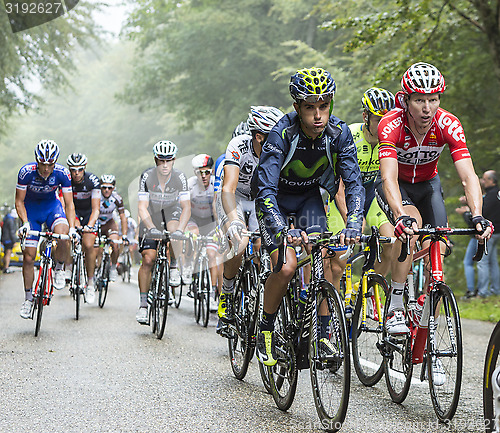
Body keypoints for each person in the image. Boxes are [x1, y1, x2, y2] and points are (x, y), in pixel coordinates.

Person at [253, 67, 364, 366]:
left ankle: (323, 335)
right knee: (287, 267)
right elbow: (264, 188)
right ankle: (264, 330)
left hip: (309, 200)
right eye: (310, 108)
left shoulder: (338, 135)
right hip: (274, 200)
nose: (318, 116)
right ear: (296, 108)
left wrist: (354, 220)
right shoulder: (282, 133)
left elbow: (352, 182)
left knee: (326, 257)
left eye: (324, 106)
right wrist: (280, 227)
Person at [376, 62, 492, 336]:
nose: (427, 108)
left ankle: (430, 331)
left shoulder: (448, 124)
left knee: (438, 247)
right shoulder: (391, 124)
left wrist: (477, 214)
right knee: (411, 228)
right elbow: (388, 178)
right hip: (399, 187)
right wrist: (399, 214)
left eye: (433, 99)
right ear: (405, 100)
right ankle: (394, 305)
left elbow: (468, 176)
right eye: (419, 100)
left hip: (428, 186)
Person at [216, 106, 284, 327]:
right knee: (241, 241)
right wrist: (235, 220)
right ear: (258, 136)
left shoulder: (281, 148)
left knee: (263, 245)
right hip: (234, 197)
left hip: (258, 200)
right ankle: (227, 293)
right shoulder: (239, 146)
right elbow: (228, 187)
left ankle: (258, 297)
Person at [326, 87, 396, 288]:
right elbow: (339, 185)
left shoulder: (391, 140)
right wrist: (352, 218)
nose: (385, 126)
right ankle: (335, 306)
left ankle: (368, 290)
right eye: (378, 120)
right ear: (365, 116)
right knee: (339, 261)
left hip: (370, 197)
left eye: (389, 120)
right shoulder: (350, 136)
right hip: (342, 197)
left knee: (390, 242)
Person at [15, 140, 77, 319]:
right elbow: (19, 201)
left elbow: (69, 203)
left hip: (52, 208)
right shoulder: (26, 172)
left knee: (63, 235)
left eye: (50, 164)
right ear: (37, 161)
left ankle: (59, 267)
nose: (46, 169)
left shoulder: (62, 173)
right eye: (43, 164)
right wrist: (25, 222)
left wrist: (72, 227)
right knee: (28, 256)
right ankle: (28, 299)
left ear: (55, 162)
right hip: (31, 210)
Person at [135, 140, 190, 324]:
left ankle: (173, 266)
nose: (165, 165)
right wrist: (150, 228)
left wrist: (181, 231)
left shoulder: (180, 177)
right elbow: (142, 207)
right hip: (151, 215)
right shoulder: (147, 176)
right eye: (161, 161)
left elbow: (186, 207)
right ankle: (143, 305)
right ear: (155, 160)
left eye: (168, 161)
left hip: (171, 212)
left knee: (175, 232)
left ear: (174, 160)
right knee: (148, 259)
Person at [186, 154, 221, 304]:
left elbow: (219, 208)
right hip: (194, 220)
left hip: (211, 222)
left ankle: (213, 293)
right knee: (193, 236)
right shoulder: (190, 184)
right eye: (200, 172)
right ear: (195, 173)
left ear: (212, 172)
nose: (204, 176)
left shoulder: (216, 184)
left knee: (212, 254)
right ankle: (190, 266)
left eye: (207, 172)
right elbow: (184, 208)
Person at [66, 152, 100, 303]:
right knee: (67, 236)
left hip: (89, 213)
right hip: (73, 212)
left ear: (84, 168)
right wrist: (74, 222)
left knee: (88, 244)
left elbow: (96, 209)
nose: (76, 173)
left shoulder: (93, 180)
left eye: (79, 169)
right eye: (73, 170)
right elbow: (64, 204)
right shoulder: (66, 180)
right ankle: (67, 267)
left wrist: (90, 225)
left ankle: (90, 282)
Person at [97, 174, 128, 283]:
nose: (106, 190)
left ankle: (113, 267)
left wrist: (124, 235)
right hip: (96, 223)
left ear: (113, 188)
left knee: (115, 245)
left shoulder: (117, 198)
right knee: (96, 249)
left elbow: (123, 217)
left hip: (109, 223)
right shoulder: (96, 196)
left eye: (109, 188)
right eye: (104, 187)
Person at [477, 170, 500, 297]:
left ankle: (483, 292)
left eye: (485, 179)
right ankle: (496, 290)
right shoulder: (498, 194)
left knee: (483, 262)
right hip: (498, 232)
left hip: (489, 232)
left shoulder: (490, 196)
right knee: (493, 261)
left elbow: (483, 213)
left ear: (492, 180)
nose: (483, 181)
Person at [455, 195, 478, 298]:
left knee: (469, 263)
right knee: (486, 263)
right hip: (478, 237)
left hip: (477, 237)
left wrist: (464, 213)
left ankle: (472, 290)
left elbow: (472, 223)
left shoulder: (478, 203)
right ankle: (479, 290)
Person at [1, 207, 17, 273]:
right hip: (9, 240)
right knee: (8, 253)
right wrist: (14, 241)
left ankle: (5, 267)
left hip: (4, 238)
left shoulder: (6, 219)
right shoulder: (11, 221)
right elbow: (12, 231)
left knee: (5, 253)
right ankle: (6, 267)